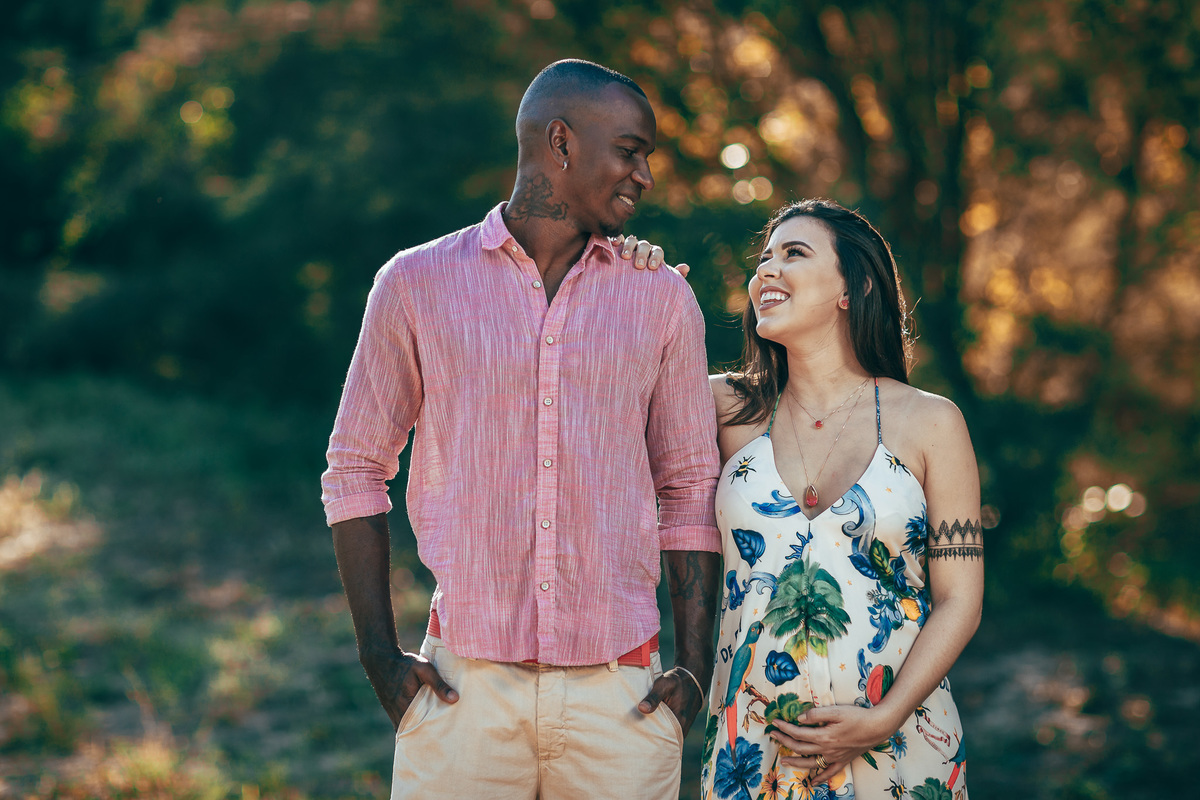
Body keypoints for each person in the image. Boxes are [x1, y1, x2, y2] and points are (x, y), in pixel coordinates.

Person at [320, 59, 722, 799]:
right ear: (561, 142)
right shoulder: (415, 283)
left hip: (622, 703)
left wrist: (694, 670)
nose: (644, 176)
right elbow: (354, 467)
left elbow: (690, 486)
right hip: (460, 699)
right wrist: (379, 657)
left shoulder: (661, 298)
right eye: (629, 151)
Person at [633, 198, 982, 799]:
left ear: (855, 286)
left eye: (794, 253)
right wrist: (634, 288)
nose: (766, 270)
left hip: (900, 745)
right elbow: (599, 409)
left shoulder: (932, 422)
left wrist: (884, 717)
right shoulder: (720, 407)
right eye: (763, 259)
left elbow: (959, 600)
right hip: (752, 749)